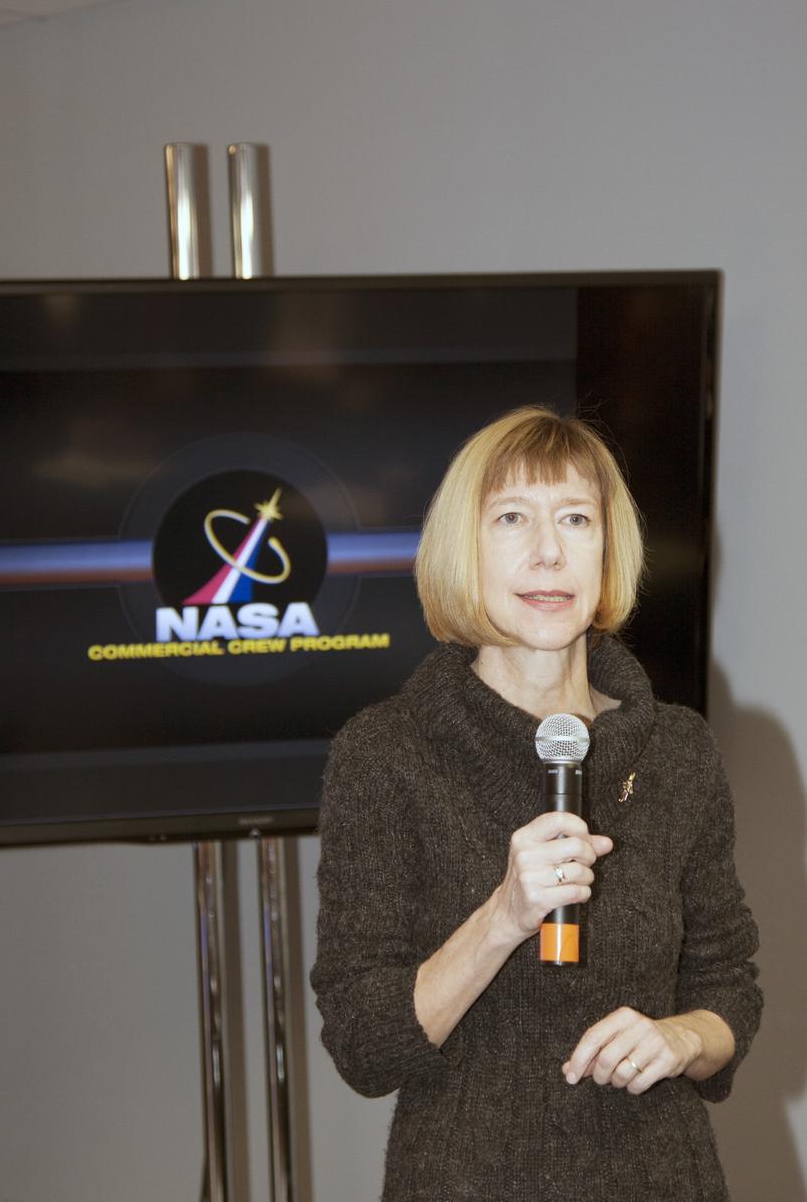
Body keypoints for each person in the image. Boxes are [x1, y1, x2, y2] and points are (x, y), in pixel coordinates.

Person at [310, 406, 761, 1200]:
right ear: (463, 550)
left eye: (575, 519)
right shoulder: (385, 755)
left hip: (660, 1177)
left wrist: (681, 1038)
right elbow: (364, 1046)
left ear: (607, 550)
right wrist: (503, 917)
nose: (548, 550)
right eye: (512, 518)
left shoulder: (676, 752)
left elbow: (727, 985)